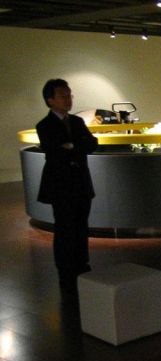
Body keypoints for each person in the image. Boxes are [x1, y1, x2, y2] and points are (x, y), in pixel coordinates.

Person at [36, 79, 98, 291]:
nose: (68, 99)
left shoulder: (77, 122)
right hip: (61, 185)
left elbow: (92, 144)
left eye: (69, 95)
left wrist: (71, 146)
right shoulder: (44, 125)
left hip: (80, 183)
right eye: (63, 96)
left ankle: (82, 263)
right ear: (50, 100)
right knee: (64, 227)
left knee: (81, 225)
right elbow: (54, 151)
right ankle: (65, 268)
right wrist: (76, 146)